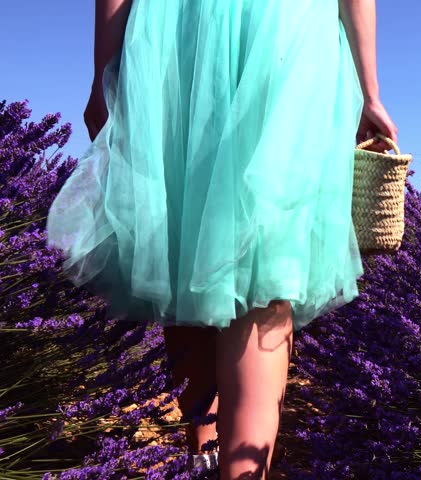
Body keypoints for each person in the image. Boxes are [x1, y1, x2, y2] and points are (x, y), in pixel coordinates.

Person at [45, 0, 398, 478]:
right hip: (284, 30)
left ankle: (202, 446)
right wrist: (370, 91)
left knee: (177, 228)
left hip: (176, 29)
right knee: (263, 265)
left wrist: (103, 73)